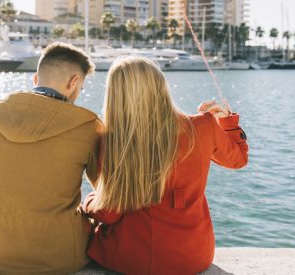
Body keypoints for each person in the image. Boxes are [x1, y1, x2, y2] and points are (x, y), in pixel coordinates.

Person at [81, 56, 249, 275]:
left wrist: (89, 201)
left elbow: (109, 213)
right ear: (161, 86)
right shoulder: (203, 125)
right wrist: (226, 122)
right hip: (193, 257)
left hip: (130, 258)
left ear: (115, 95)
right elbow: (238, 160)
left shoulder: (112, 139)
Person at [0, 42, 101, 274]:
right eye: (80, 88)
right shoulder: (88, 126)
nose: (78, 94)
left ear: (35, 80)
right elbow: (104, 189)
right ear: (73, 82)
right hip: (58, 256)